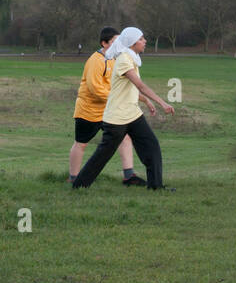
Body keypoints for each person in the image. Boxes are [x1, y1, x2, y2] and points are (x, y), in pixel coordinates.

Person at [72, 27, 175, 191]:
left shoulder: (132, 58)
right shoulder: (124, 60)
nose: (145, 41)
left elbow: (130, 90)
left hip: (132, 114)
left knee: (151, 145)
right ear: (132, 43)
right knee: (103, 154)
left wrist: (146, 101)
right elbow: (139, 85)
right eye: (141, 39)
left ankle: (156, 186)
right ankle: (79, 185)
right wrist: (163, 103)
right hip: (117, 117)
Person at [69, 26, 139, 185]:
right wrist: (116, 98)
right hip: (88, 110)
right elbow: (95, 88)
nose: (118, 44)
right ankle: (73, 178)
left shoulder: (117, 58)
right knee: (81, 143)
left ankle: (129, 176)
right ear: (104, 43)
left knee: (125, 137)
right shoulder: (96, 60)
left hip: (109, 110)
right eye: (115, 41)